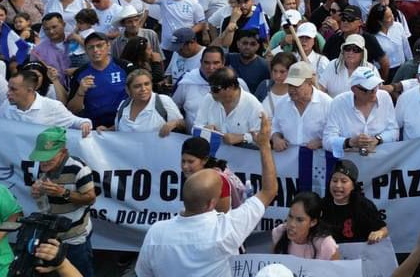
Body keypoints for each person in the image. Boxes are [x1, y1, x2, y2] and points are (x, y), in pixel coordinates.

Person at [136, 115, 278, 277]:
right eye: (183, 161)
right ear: (211, 203)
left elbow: (143, 273)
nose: (185, 166)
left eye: (191, 161)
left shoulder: (155, 233)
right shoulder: (225, 232)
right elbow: (269, 191)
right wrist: (264, 145)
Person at [25, 127, 98, 277]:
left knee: (80, 272)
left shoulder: (78, 168)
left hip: (75, 237)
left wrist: (63, 193)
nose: (44, 161)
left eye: (49, 156)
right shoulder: (42, 167)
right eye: (41, 156)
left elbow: (91, 198)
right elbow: (45, 201)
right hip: (53, 235)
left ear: (63, 152)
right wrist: (37, 192)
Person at [322, 65, 399, 157]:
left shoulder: (385, 97)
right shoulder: (338, 103)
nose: (374, 91)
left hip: (382, 159)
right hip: (350, 162)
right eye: (367, 89)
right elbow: (327, 140)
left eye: (376, 86)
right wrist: (349, 142)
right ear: (354, 89)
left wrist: (377, 139)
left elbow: (394, 130)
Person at [65, 33, 128, 129]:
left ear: (108, 46)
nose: (95, 50)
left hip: (123, 125)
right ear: (86, 50)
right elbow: (71, 110)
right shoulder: (79, 73)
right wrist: (80, 92)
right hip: (93, 128)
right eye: (91, 47)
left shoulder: (125, 67)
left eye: (99, 45)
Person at [1, 71, 92, 135]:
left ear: (29, 90)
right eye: (8, 88)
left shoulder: (53, 106)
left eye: (13, 89)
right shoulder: (6, 104)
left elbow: (76, 122)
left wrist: (85, 124)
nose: (8, 93)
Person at [320, 159, 388, 244]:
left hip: (359, 251)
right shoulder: (322, 204)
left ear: (353, 185)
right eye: (334, 180)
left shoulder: (364, 205)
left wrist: (379, 233)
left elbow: (383, 229)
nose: (338, 185)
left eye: (344, 181)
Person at [195, 67, 266, 147]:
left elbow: (262, 136)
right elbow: (196, 126)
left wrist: (242, 137)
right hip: (213, 151)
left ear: (230, 87)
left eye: (215, 89)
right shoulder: (209, 98)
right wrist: (204, 129)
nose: (211, 92)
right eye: (210, 87)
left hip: (242, 153)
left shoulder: (253, 105)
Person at [270, 62, 331, 151]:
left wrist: (321, 142)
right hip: (287, 157)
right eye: (289, 85)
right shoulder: (281, 103)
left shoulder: (327, 103)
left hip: (317, 157)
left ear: (309, 83)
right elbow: (275, 127)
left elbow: (337, 134)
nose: (291, 89)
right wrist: (276, 138)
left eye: (296, 85)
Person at [109, 68, 184, 135]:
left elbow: (183, 126)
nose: (143, 89)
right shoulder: (124, 106)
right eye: (137, 86)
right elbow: (118, 129)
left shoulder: (163, 101)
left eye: (147, 84)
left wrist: (175, 123)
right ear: (128, 90)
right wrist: (107, 130)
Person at [271, 191, 340, 259]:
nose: (292, 224)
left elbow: (335, 266)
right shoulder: (280, 232)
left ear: (313, 222)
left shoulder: (325, 244)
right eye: (290, 216)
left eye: (299, 220)